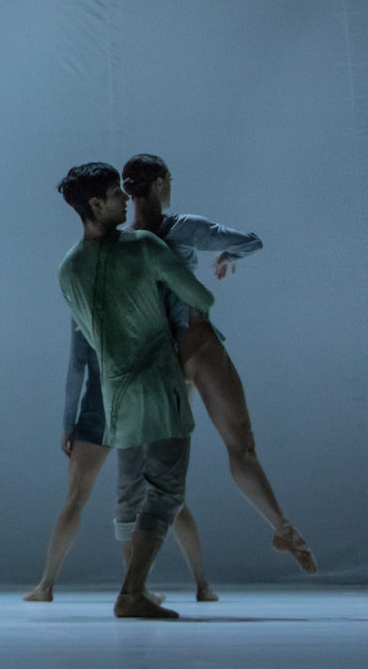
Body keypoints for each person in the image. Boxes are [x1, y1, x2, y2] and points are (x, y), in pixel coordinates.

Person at [123, 154, 316, 573]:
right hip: (198, 343)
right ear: (157, 183)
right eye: (168, 179)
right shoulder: (182, 227)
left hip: (162, 359)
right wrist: (229, 257)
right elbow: (251, 240)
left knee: (159, 469)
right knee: (241, 446)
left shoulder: (125, 242)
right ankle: (281, 526)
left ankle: (140, 576)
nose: (170, 185)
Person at [55, 162, 213, 620]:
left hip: (115, 397)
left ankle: (134, 589)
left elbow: (88, 337)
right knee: (164, 491)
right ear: (95, 204)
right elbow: (200, 297)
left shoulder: (68, 270)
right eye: (114, 195)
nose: (126, 199)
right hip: (160, 386)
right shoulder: (143, 247)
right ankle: (133, 590)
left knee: (130, 494)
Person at [23, 323, 216, 602]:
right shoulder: (136, 294)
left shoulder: (85, 304)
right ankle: (194, 586)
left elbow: (77, 368)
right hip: (134, 405)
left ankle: (47, 585)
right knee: (169, 498)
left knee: (77, 500)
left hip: (101, 408)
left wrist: (68, 424)